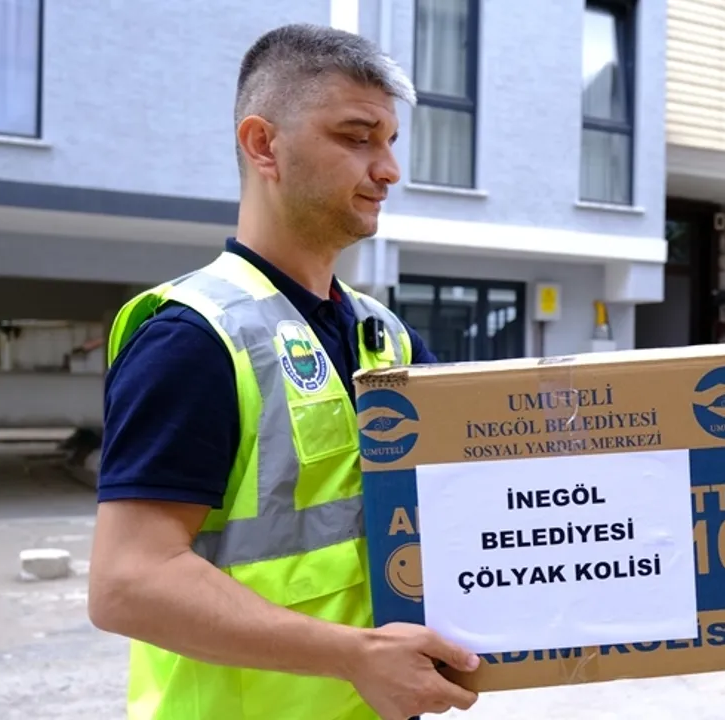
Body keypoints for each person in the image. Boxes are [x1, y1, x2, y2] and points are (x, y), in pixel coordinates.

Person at [87, 24, 479, 720]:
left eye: (391, 141)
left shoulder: (387, 337)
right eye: (358, 137)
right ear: (263, 145)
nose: (389, 169)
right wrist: (354, 656)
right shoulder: (193, 338)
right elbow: (128, 582)